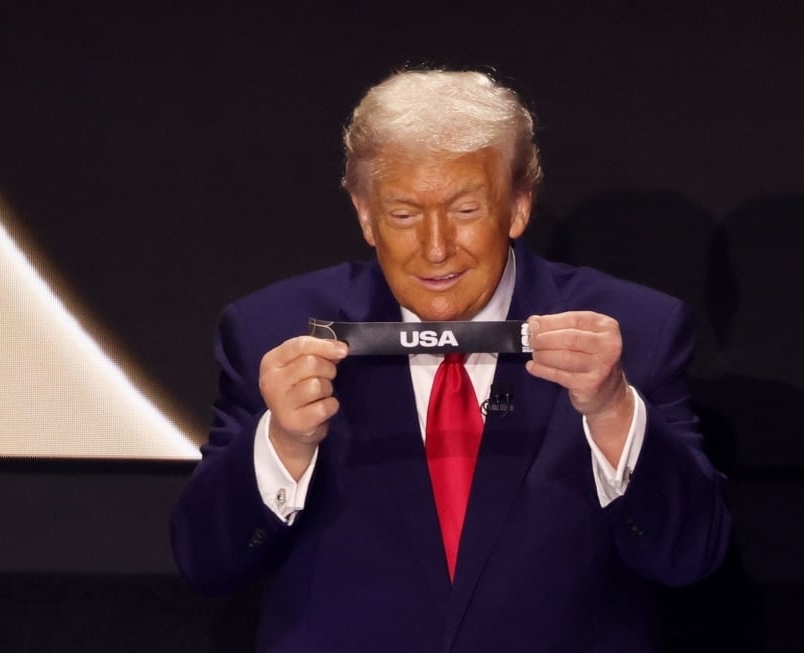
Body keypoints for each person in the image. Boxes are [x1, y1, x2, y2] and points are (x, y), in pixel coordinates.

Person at [171, 69, 730, 652]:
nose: (436, 248)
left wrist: (613, 410)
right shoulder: (272, 332)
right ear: (365, 214)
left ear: (518, 206)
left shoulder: (633, 333)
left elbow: (688, 556)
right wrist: (282, 444)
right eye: (404, 214)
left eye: (465, 210)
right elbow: (207, 563)